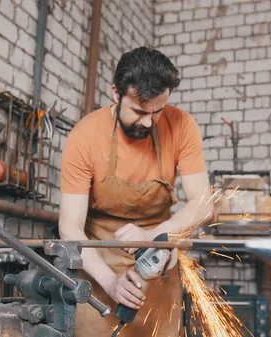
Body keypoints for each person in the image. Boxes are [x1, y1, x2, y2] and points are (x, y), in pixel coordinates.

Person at [59, 47, 213, 336]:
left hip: (159, 266)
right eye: (140, 111)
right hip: (99, 265)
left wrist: (153, 237)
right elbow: (69, 227)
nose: (148, 121)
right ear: (116, 94)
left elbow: (203, 204)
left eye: (157, 111)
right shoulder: (86, 136)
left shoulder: (181, 125)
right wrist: (110, 282)